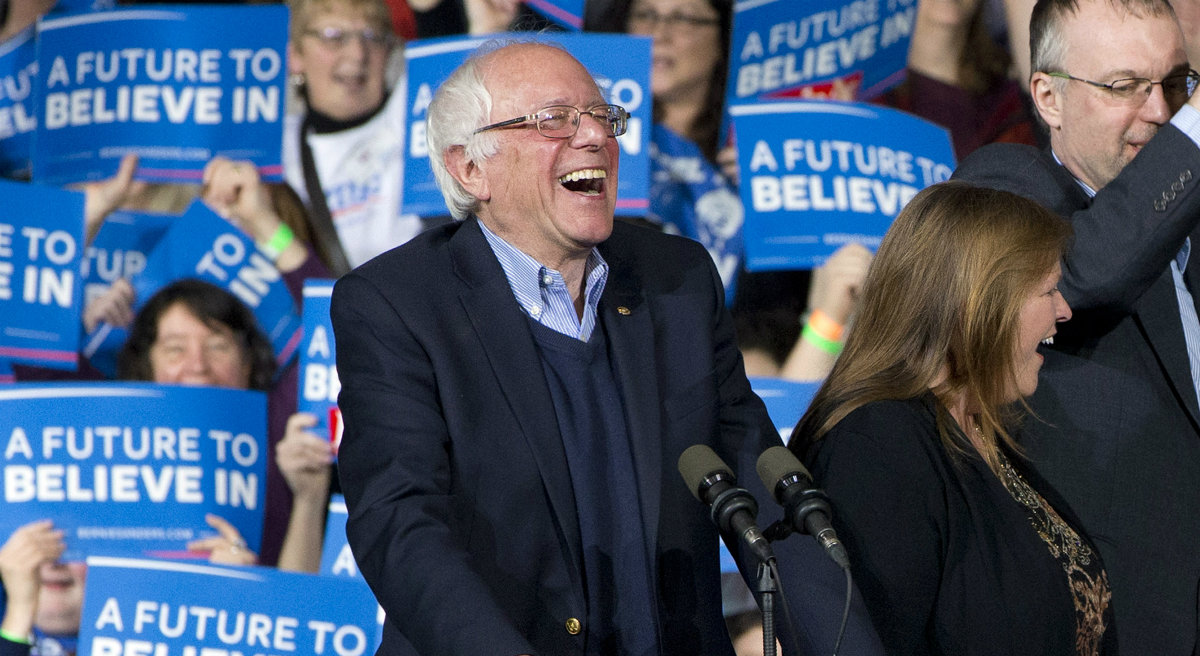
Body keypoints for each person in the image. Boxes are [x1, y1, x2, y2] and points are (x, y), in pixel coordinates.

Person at [330, 40, 788, 656]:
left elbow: (761, 482)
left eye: (603, 117)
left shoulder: (674, 278)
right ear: (471, 168)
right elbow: (401, 523)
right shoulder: (396, 303)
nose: (594, 137)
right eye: (554, 121)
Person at [952, 0, 1200, 650]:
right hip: (1105, 625)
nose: (1161, 111)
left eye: (1177, 85)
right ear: (1048, 97)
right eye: (1125, 87)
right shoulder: (1002, 187)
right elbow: (1084, 271)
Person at [793, 182, 1114, 654]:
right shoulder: (875, 446)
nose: (1064, 311)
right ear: (975, 305)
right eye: (1048, 290)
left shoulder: (982, 433)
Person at [283, 0, 423, 275]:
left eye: (372, 36)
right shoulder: (274, 153)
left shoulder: (421, 113)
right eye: (334, 37)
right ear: (295, 56)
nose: (358, 53)